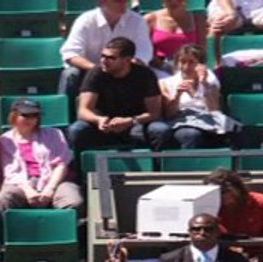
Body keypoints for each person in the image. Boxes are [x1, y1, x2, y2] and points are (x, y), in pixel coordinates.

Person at [67, 37, 172, 166]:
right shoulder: (96, 73)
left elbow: (155, 113)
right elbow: (83, 111)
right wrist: (99, 120)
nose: (103, 61)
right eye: (102, 56)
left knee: (160, 130)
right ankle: (78, 177)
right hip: (103, 126)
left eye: (111, 58)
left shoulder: (145, 75)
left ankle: (159, 172)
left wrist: (131, 121)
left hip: (136, 124)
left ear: (127, 60)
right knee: (77, 130)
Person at [59, 0, 153, 108]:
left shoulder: (138, 21)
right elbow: (70, 54)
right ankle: (68, 117)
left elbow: (143, 54)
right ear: (102, 2)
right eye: (118, 1)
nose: (123, 4)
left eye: (126, 1)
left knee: (145, 73)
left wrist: (121, 69)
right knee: (70, 74)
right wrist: (97, 69)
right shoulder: (86, 20)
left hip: (125, 71)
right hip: (90, 70)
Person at [0, 98, 83, 213]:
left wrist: (50, 189)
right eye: (25, 115)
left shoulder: (54, 134)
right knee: (4, 198)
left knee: (73, 200)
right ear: (14, 115)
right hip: (21, 184)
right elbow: (10, 173)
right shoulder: (5, 140)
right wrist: (28, 190)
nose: (30, 119)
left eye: (34, 115)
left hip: (54, 181)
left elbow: (61, 165)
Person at [160, 44, 239, 149]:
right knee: (191, 134)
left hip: (208, 118)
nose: (186, 67)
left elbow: (214, 109)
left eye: (191, 62)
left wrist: (204, 84)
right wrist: (177, 95)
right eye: (182, 62)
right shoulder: (165, 83)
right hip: (182, 120)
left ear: (201, 65)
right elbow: (169, 114)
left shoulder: (210, 83)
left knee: (235, 129)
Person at [145, 0, 204, 77]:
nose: (173, 2)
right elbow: (144, 50)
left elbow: (202, 50)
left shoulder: (198, 19)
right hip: (158, 67)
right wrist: (165, 66)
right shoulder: (150, 19)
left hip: (190, 66)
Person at [203, 169, 263, 238]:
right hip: (222, 247)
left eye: (223, 192)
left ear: (238, 189)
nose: (219, 196)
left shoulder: (260, 202)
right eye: (214, 193)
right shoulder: (206, 206)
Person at [208, 0, 263, 66]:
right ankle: (213, 64)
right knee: (219, 24)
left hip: (259, 7)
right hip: (227, 6)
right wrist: (231, 13)